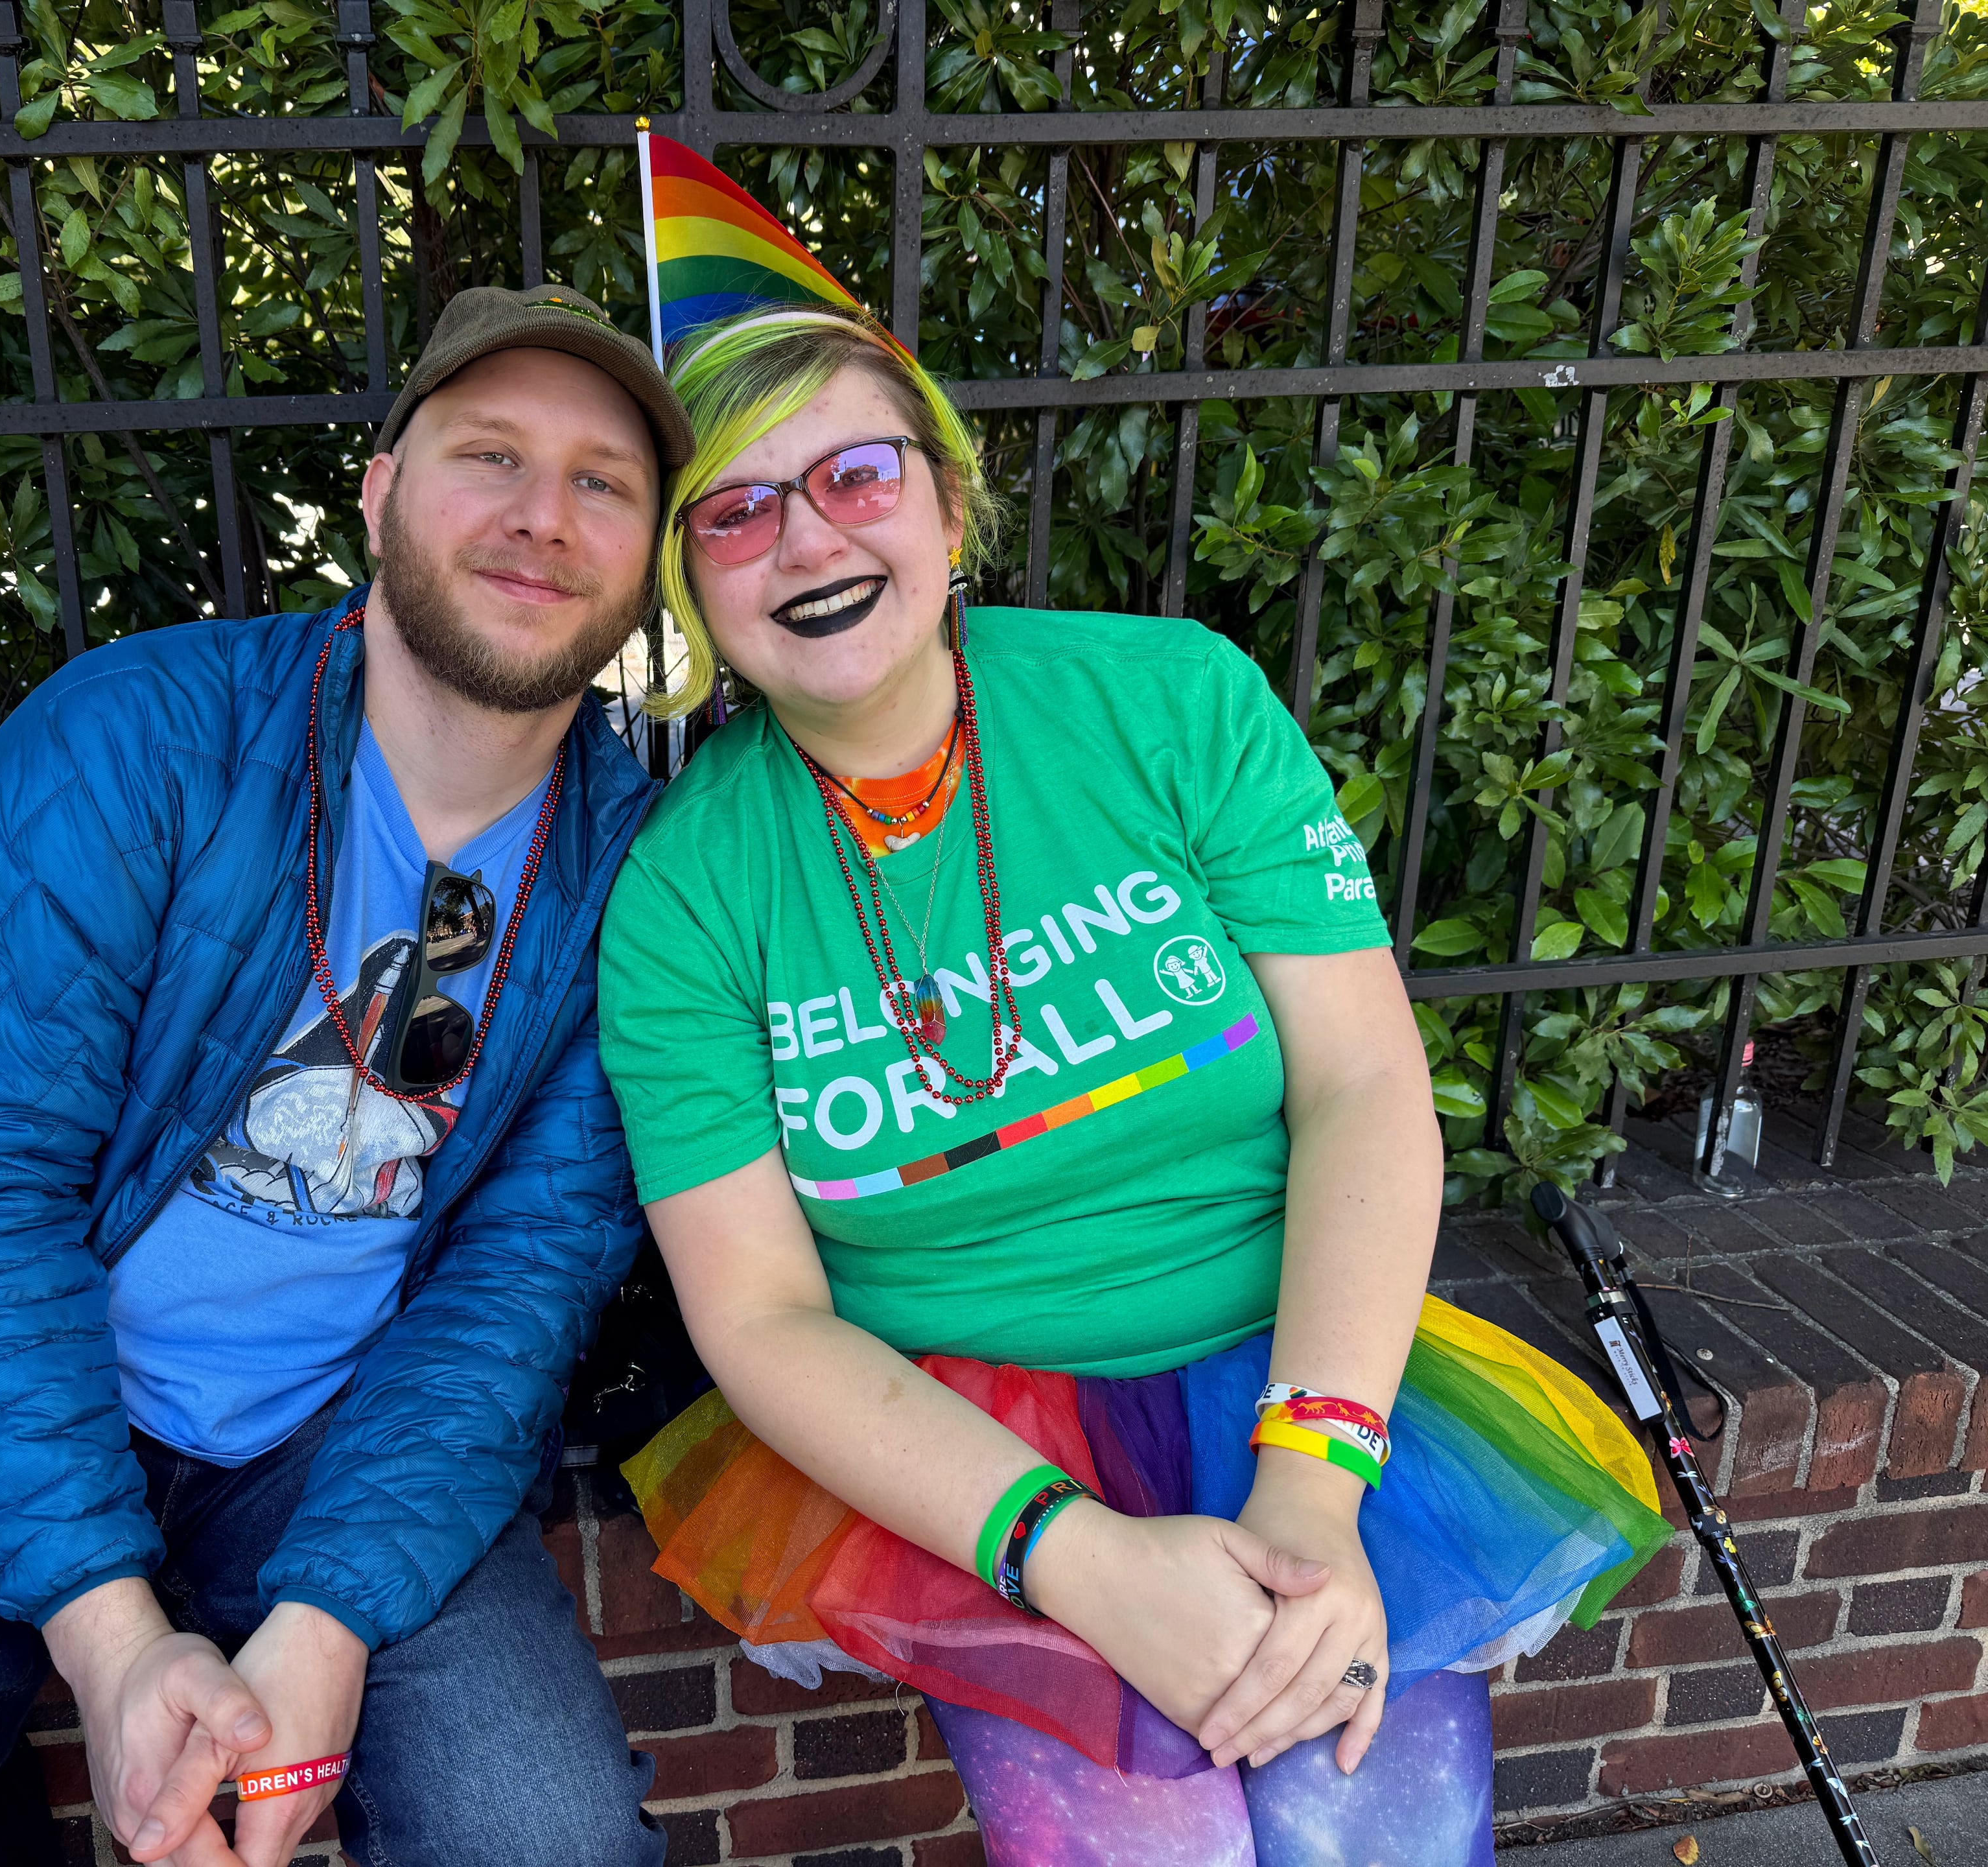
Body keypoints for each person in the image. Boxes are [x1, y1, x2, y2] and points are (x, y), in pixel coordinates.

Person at [0, 284, 693, 1867]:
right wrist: (117, 1645)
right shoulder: (139, 740)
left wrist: (327, 1628)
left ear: (651, 550)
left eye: (604, 481)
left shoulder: (638, 874)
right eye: (491, 456)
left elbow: (521, 1285)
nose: (545, 517)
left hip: (327, 1419)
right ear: (384, 490)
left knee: (551, 1838)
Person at [598, 303, 1670, 1866]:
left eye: (858, 475)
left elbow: (1366, 1084)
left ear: (951, 501)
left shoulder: (1172, 705)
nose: (808, 539)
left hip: (1295, 1375)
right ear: (690, 578)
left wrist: (1312, 1498)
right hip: (973, 1447)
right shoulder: (685, 894)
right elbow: (758, 1311)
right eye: (738, 509)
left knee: (1387, 1842)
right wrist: (1076, 1561)